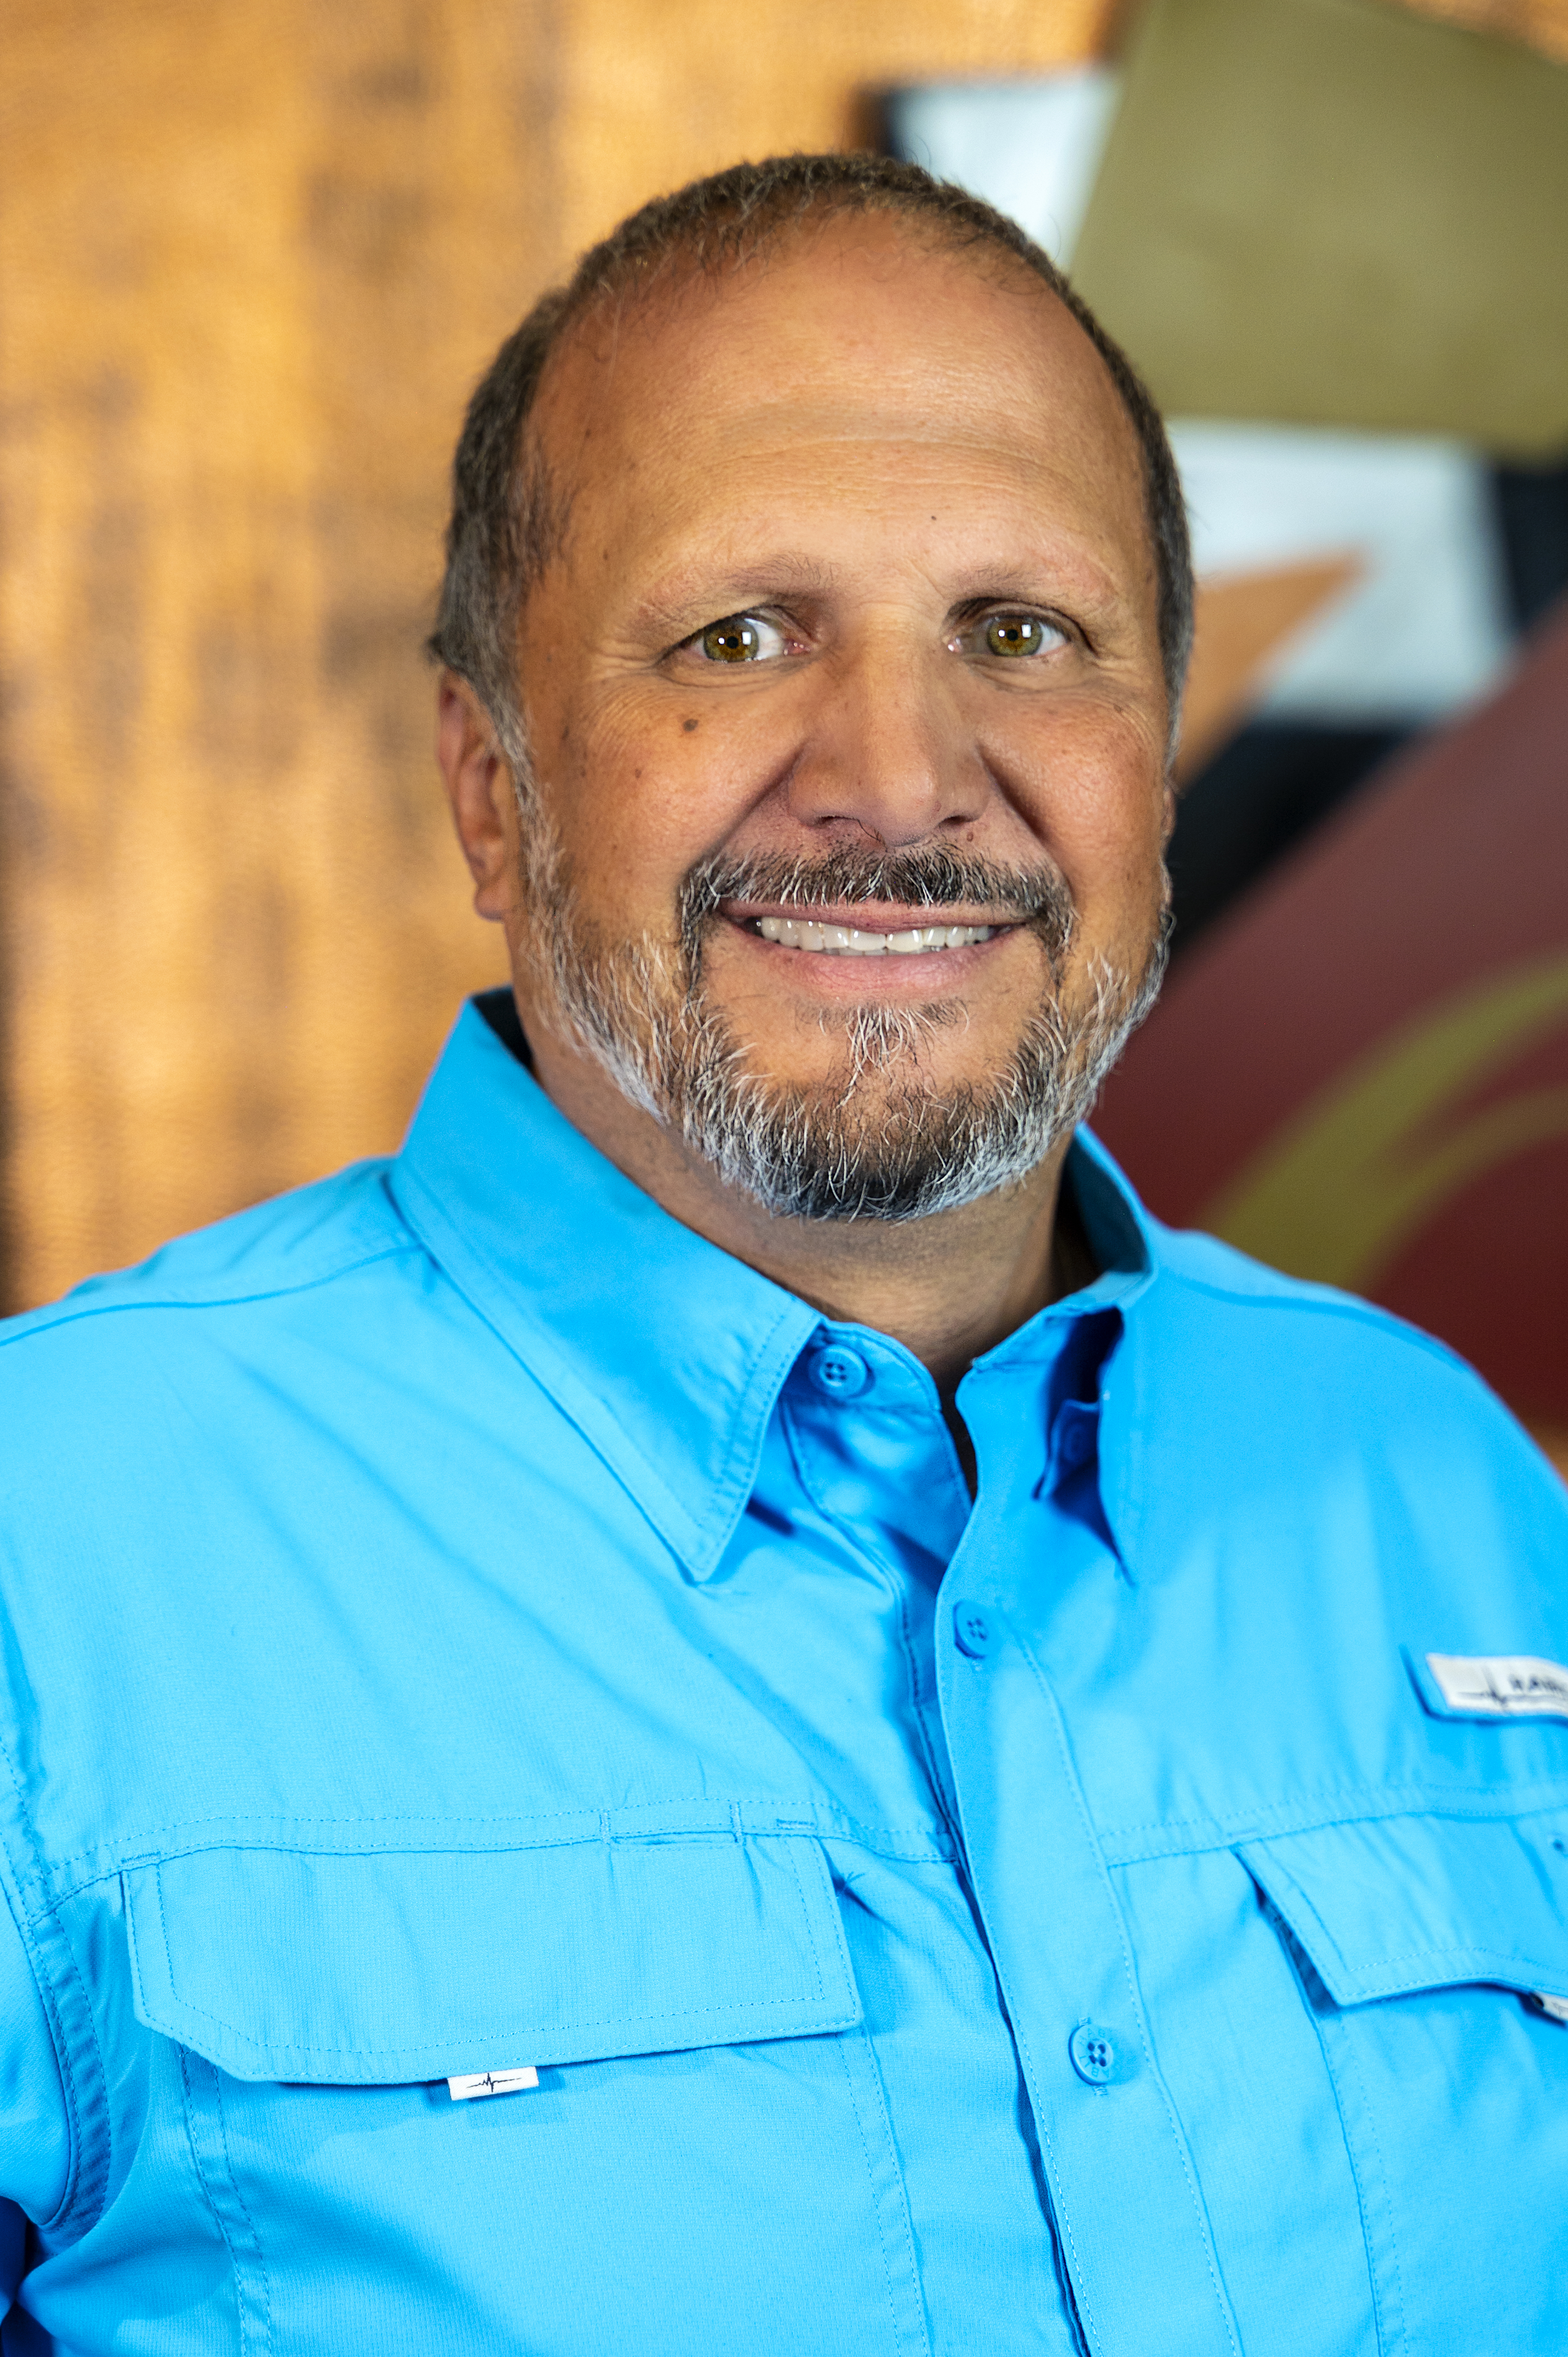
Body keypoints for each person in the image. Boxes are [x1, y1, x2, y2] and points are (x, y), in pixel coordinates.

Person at [0, 152, 1564, 2357]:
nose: (902, 776)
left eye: (1022, 634)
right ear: (489, 781)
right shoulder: (47, 1549)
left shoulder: (1441, 1482)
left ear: (1156, 750)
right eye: (741, 637)